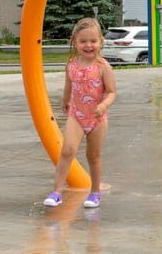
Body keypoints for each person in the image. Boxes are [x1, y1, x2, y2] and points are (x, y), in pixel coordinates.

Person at [44, 18, 117, 209]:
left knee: (93, 156)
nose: (88, 45)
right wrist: (65, 101)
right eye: (83, 41)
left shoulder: (103, 67)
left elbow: (112, 92)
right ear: (75, 42)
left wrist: (104, 105)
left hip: (97, 118)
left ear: (100, 42)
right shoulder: (72, 64)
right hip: (76, 116)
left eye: (93, 41)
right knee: (67, 151)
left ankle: (95, 193)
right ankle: (56, 192)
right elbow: (68, 86)